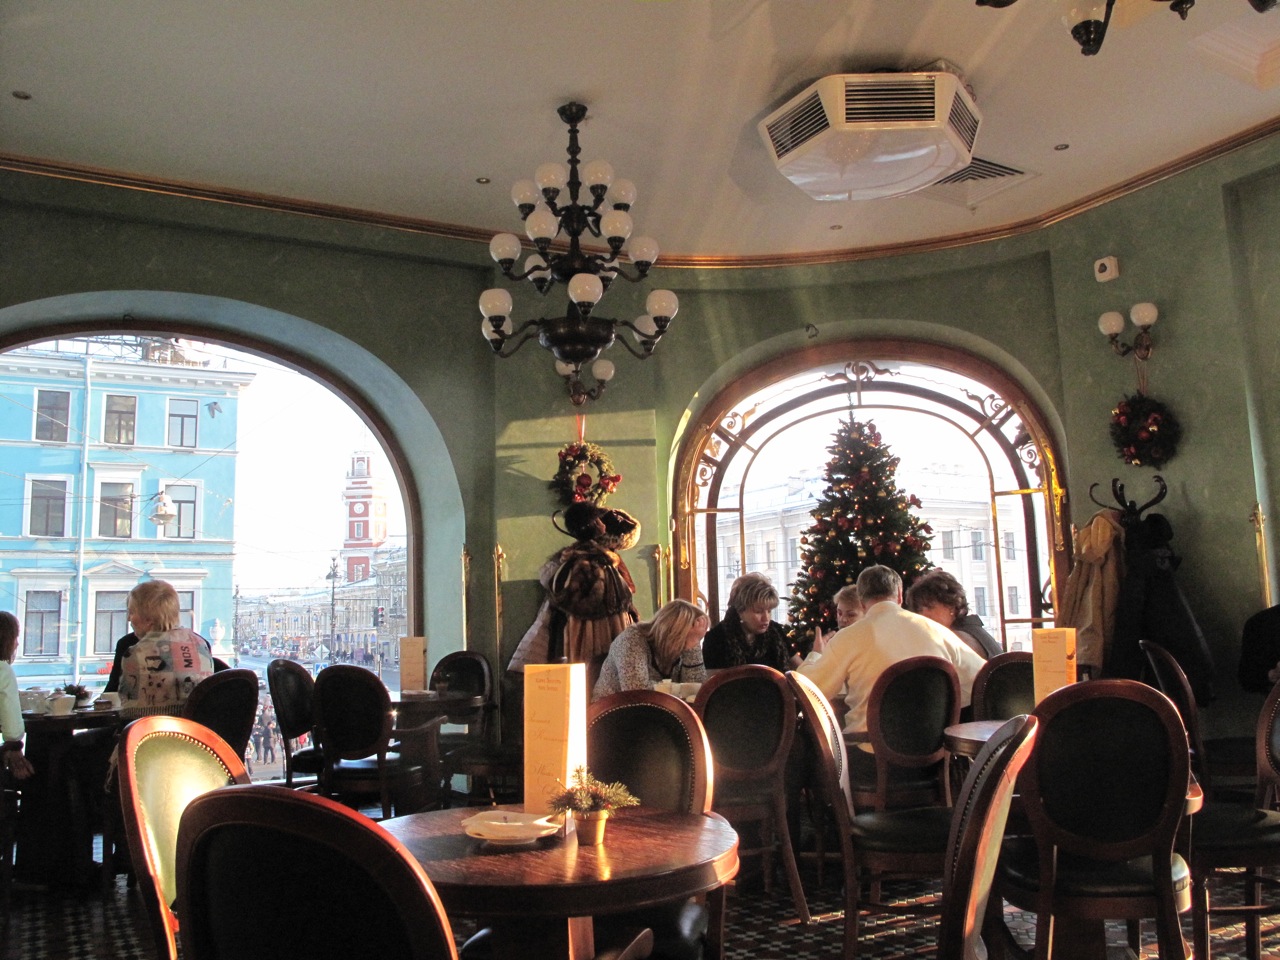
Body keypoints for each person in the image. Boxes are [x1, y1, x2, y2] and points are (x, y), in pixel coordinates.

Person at [798, 565, 984, 778]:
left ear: (861, 601)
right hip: (935, 761)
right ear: (899, 595)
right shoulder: (937, 632)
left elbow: (808, 689)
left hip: (871, 761)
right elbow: (982, 679)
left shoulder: (848, 638)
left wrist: (816, 654)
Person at [509, 503, 641, 672]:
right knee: (593, 675)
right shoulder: (595, 563)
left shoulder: (570, 559)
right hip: (593, 637)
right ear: (594, 526)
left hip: (571, 633)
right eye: (599, 521)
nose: (603, 524)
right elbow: (594, 603)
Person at [118, 580, 216, 718]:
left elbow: (128, 713)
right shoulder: (201, 644)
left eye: (132, 612)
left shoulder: (135, 653)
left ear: (148, 619)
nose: (129, 619)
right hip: (195, 729)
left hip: (153, 730)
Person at [592, 599, 709, 701]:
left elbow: (696, 693)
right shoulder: (632, 639)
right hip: (613, 712)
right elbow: (637, 692)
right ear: (673, 634)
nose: (689, 644)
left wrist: (693, 647)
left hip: (657, 712)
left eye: (698, 637)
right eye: (688, 637)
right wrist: (678, 690)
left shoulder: (685, 647)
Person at [702, 573, 796, 671]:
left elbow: (799, 667)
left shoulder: (775, 631)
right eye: (758, 612)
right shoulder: (716, 638)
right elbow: (712, 679)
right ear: (740, 610)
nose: (766, 618)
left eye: (769, 611)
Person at [903, 569, 1003, 659]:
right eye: (919, 609)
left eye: (930, 607)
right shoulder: (974, 629)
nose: (924, 614)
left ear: (951, 605)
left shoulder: (954, 639)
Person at [0, 611, 35, 781]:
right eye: (15, 637)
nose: (17, 643)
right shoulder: (3, 671)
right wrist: (14, 747)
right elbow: (11, 719)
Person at [814, 583, 865, 651]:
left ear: (866, 614)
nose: (843, 619)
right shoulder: (833, 644)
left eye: (851, 615)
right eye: (840, 613)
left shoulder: (871, 645)